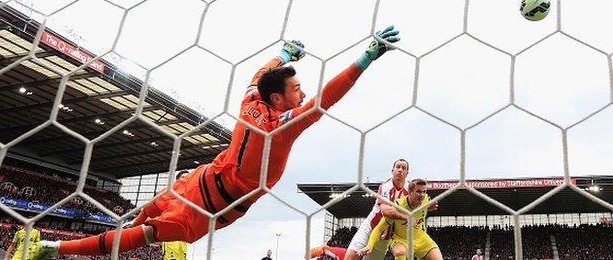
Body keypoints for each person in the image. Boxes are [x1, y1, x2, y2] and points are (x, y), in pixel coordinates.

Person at [30, 25, 401, 259]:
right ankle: (55, 248)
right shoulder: (283, 126)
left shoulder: (251, 100)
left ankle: (58, 246)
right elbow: (327, 97)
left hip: (204, 177)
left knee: (144, 219)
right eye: (296, 89)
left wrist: (284, 56)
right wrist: (365, 58)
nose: (303, 94)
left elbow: (258, 75)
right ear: (278, 99)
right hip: (214, 204)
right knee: (142, 233)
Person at [343, 159, 411, 260]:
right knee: (350, 257)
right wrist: (408, 216)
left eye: (403, 168)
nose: (400, 170)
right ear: (392, 170)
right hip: (370, 227)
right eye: (398, 167)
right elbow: (386, 211)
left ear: (407, 173)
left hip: (385, 237)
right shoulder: (385, 187)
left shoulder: (409, 191)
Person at [358, 179, 442, 260]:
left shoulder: (426, 199)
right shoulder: (398, 206)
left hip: (421, 239)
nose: (422, 195)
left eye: (424, 191)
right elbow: (379, 228)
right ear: (409, 192)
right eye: (418, 191)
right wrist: (369, 246)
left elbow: (427, 207)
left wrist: (430, 207)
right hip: (401, 240)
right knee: (400, 252)